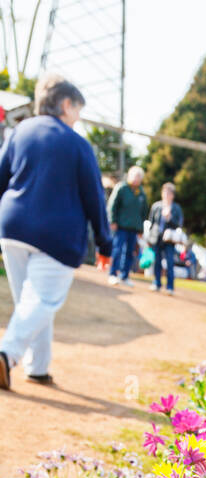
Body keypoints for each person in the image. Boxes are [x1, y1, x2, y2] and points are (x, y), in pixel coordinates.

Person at [0, 73, 111, 390]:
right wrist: (105, 244)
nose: (78, 118)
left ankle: (38, 367)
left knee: (31, 303)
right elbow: (94, 198)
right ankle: (6, 355)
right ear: (65, 104)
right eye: (78, 110)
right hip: (56, 235)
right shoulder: (77, 144)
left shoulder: (20, 131)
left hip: (12, 227)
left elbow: (0, 176)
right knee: (41, 301)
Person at [107, 165, 147, 285]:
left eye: (139, 176)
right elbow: (112, 205)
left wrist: (141, 229)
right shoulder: (122, 188)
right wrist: (113, 220)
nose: (136, 179)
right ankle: (113, 274)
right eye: (135, 176)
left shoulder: (141, 193)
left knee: (129, 253)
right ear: (129, 176)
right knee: (117, 250)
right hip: (120, 226)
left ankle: (124, 276)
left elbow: (143, 213)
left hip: (134, 228)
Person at [148, 182, 183, 295]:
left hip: (169, 240)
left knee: (170, 262)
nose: (166, 195)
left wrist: (169, 218)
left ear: (172, 195)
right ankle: (156, 283)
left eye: (169, 193)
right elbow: (151, 223)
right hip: (157, 238)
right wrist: (149, 237)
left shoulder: (176, 208)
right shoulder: (156, 206)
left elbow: (179, 225)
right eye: (165, 192)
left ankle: (170, 287)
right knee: (157, 261)